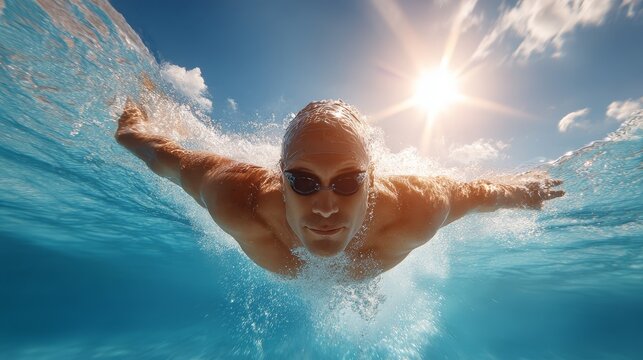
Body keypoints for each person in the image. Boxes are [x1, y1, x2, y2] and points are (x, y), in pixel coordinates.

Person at [115, 98, 564, 279]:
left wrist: (520, 192)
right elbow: (162, 156)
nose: (326, 207)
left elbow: (481, 193)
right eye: (304, 182)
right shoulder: (236, 199)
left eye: (348, 182)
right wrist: (132, 126)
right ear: (281, 179)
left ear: (371, 183)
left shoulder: (418, 209)